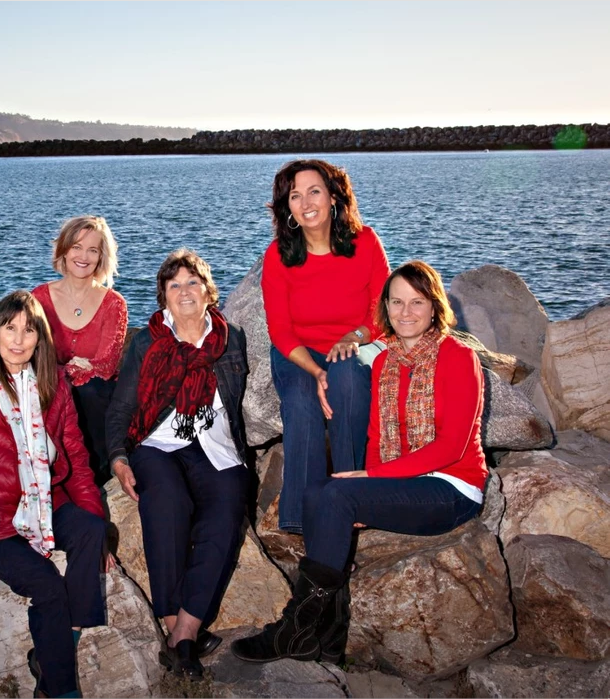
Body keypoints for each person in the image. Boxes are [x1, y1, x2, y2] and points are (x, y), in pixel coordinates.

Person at [232, 260, 487, 665]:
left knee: (336, 498)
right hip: (405, 485)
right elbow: (373, 439)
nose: (405, 313)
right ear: (384, 308)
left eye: (416, 303)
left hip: (452, 489)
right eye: (396, 302)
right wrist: (365, 486)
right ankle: (330, 639)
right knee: (319, 491)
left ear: (435, 307)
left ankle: (295, 628)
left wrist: (371, 478)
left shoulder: (457, 356)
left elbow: (450, 448)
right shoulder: (384, 363)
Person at [0, 290, 110, 699]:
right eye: (9, 328)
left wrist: (98, 532)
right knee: (48, 585)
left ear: (40, 339)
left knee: (89, 529)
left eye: (28, 330)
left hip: (46, 502)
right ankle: (62, 690)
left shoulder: (53, 387)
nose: (18, 339)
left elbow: (79, 460)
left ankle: (57, 647)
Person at [106, 249, 250, 680]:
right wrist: (117, 456)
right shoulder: (148, 342)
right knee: (166, 503)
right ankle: (181, 634)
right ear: (163, 298)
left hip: (215, 446)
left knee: (226, 510)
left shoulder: (232, 337)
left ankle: (182, 633)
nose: (184, 291)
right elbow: (121, 406)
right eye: (174, 285)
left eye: (193, 283)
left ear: (208, 291)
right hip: (157, 443)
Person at [261, 158, 391, 533]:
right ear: (287, 207)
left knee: (347, 379)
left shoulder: (365, 242)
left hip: (357, 344)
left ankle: (351, 497)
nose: (305, 203)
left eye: (313, 191)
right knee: (302, 405)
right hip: (299, 353)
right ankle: (303, 520)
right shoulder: (278, 257)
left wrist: (354, 338)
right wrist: (316, 371)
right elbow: (281, 331)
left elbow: (381, 313)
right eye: (295, 196)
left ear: (334, 196)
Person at [32, 215, 128, 487]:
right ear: (64, 249)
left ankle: (97, 478)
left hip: (95, 396)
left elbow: (106, 365)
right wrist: (71, 368)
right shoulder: (38, 298)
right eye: (76, 247)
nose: (83, 256)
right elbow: (31, 355)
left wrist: (68, 368)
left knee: (91, 390)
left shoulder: (114, 304)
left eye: (93, 250)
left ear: (101, 257)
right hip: (50, 385)